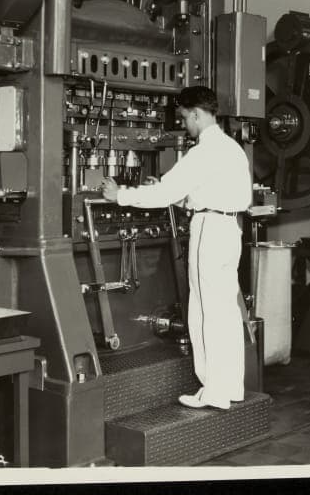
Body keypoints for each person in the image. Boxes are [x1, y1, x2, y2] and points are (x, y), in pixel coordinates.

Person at [101, 86, 252, 410]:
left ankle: (213, 392)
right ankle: (230, 387)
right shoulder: (232, 148)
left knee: (205, 312)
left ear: (196, 113)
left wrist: (120, 195)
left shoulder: (204, 151)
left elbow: (164, 195)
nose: (184, 124)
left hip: (209, 230)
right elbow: (207, 191)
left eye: (184, 118)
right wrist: (177, 195)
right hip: (230, 229)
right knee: (226, 312)